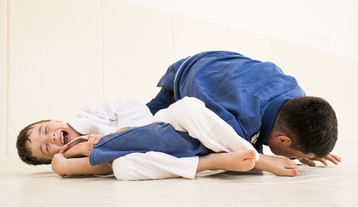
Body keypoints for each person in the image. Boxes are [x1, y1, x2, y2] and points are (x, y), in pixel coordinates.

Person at [146, 50, 341, 167]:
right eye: (298, 155)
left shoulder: (295, 91)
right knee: (137, 128)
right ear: (283, 139)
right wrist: (276, 159)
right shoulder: (236, 125)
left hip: (219, 64)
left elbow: (306, 117)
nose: (296, 158)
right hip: (181, 78)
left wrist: (311, 147)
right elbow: (237, 157)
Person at [17, 97, 263, 180]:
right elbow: (107, 168)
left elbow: (131, 106)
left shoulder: (90, 112)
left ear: (57, 121)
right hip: (168, 156)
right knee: (122, 169)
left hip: (166, 127)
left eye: (45, 129)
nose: (50, 137)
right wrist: (73, 159)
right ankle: (214, 162)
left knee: (187, 107)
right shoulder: (83, 152)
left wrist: (117, 134)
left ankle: (259, 160)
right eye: (46, 148)